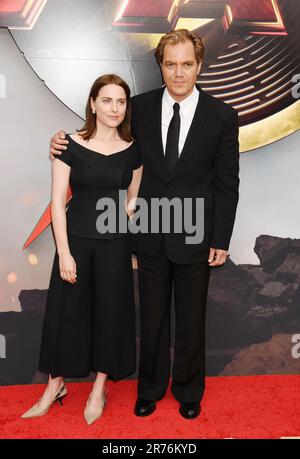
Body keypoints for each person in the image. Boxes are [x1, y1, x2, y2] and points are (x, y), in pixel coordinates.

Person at [49, 29, 240, 420]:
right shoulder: (138, 107)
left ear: (199, 66)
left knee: (191, 319)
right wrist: (60, 142)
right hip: (149, 233)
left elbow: (227, 182)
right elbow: (99, 137)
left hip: (195, 232)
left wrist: (221, 236)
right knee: (151, 319)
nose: (179, 72)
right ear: (161, 66)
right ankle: (150, 389)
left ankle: (188, 390)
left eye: (187, 64)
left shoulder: (222, 116)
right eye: (170, 64)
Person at [21, 74, 143, 425]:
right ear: (92, 103)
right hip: (75, 241)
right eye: (106, 100)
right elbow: (57, 200)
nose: (114, 108)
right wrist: (64, 252)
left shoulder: (134, 149)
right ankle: (54, 386)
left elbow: (133, 198)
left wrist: (130, 230)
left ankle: (98, 388)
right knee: (66, 314)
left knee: (110, 314)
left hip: (115, 247)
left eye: (121, 101)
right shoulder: (68, 144)